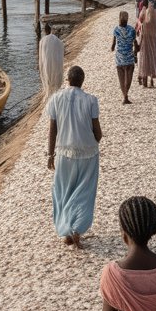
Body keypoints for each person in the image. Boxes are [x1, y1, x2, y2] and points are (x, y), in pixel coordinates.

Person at [46, 65, 102, 249]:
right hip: (88, 153)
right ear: (82, 81)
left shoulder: (56, 99)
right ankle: (77, 227)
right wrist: (93, 140)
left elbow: (52, 130)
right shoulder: (91, 100)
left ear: (67, 80)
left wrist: (50, 154)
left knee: (63, 191)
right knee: (85, 191)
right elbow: (98, 132)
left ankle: (67, 231)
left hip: (64, 153)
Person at [110, 10, 138, 104]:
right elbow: (135, 44)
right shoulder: (132, 30)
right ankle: (126, 95)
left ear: (119, 18)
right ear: (127, 19)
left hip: (119, 58)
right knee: (129, 77)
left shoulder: (116, 29)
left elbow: (113, 45)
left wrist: (112, 48)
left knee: (121, 78)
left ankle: (125, 96)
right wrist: (136, 54)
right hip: (129, 57)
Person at [137, 0, 156, 88]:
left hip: (145, 39)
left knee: (145, 59)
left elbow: (139, 23)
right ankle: (151, 81)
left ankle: (144, 81)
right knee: (153, 58)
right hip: (155, 40)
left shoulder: (144, 12)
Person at [38, 22, 64, 98]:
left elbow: (41, 56)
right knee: (55, 78)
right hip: (55, 62)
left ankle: (49, 92)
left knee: (48, 77)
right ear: (51, 29)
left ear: (45, 30)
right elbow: (61, 49)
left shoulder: (42, 41)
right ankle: (55, 92)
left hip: (46, 63)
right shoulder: (57, 40)